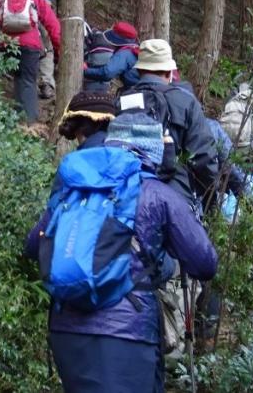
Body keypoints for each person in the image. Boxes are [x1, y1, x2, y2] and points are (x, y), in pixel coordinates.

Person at [25, 114, 218, 392]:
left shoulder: (76, 187)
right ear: (152, 149)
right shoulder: (156, 193)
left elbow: (34, 245)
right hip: (127, 334)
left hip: (66, 328)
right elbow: (205, 263)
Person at [118, 39, 220, 208]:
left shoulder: (122, 101)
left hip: (128, 197)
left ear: (140, 70)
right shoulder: (186, 102)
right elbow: (204, 158)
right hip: (175, 200)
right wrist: (211, 200)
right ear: (169, 72)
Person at [0, 0, 62, 122]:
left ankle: (17, 119)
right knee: (28, 82)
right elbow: (53, 26)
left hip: (7, 45)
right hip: (30, 47)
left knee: (18, 79)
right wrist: (59, 50)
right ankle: (29, 124)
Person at [82, 21, 140, 92]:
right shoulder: (135, 49)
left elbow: (107, 73)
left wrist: (86, 70)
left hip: (136, 91)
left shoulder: (124, 54)